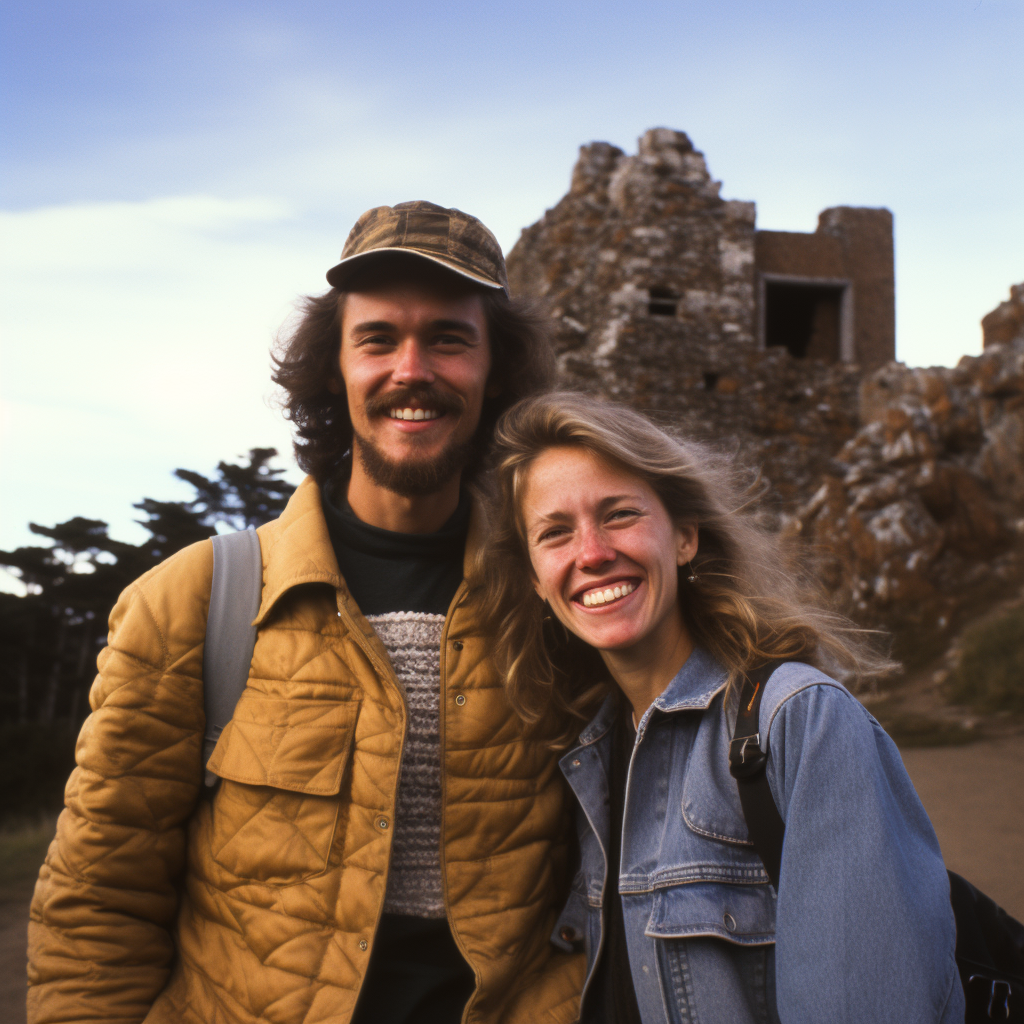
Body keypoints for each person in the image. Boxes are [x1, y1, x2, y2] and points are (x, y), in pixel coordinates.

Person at [27, 203, 584, 1024]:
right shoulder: (195, 602)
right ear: (334, 366)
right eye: (378, 339)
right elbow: (99, 902)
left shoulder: (559, 600)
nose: (412, 367)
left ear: (497, 367)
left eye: (449, 338)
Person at [478, 391, 966, 1023]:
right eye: (555, 533)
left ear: (684, 536)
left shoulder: (801, 721)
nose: (592, 552)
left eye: (620, 514)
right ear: (536, 582)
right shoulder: (581, 755)